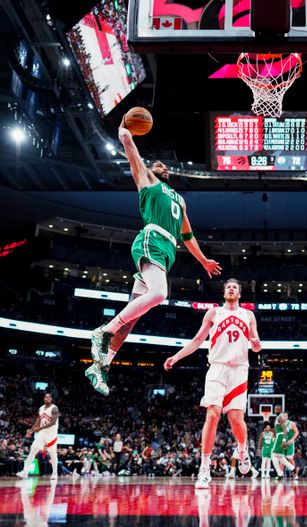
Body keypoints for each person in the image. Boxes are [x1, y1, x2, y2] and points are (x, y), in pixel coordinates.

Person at [85, 119, 222, 395]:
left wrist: (203, 260)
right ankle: (103, 330)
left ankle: (99, 367)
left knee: (133, 318)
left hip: (167, 250)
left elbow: (187, 236)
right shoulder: (147, 179)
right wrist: (125, 129)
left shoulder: (180, 200)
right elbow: (130, 147)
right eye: (160, 165)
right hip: (151, 240)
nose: (164, 167)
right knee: (160, 294)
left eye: (166, 167)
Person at [163, 278, 261, 489]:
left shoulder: (248, 315)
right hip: (216, 367)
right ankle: (204, 469)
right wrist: (177, 357)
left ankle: (243, 450)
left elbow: (256, 347)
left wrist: (256, 343)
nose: (232, 289)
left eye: (235, 287)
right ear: (224, 293)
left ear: (240, 294)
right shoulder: (214, 313)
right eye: (228, 287)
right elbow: (198, 340)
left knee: (235, 419)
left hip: (239, 369)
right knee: (212, 414)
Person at [17, 393, 60, 481]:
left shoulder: (54, 408)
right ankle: (25, 471)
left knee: (52, 454)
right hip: (42, 433)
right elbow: (39, 420)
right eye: (46, 397)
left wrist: (40, 428)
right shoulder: (41, 408)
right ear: (44, 399)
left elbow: (53, 422)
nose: (47, 398)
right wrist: (31, 430)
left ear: (51, 399)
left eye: (49, 397)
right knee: (33, 450)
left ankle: (55, 473)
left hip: (52, 434)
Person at [271, 413, 299, 480]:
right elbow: (277, 431)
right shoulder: (280, 422)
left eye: (286, 415)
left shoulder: (291, 423)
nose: (285, 416)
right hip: (283, 441)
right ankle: (281, 474)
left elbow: (297, 432)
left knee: (289, 457)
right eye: (283, 415)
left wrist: (292, 439)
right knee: (281, 457)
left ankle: (294, 474)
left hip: (289, 442)